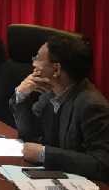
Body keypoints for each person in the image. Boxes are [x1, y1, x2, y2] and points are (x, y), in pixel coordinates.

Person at [10, 35, 109, 183]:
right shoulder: (49, 94)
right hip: (53, 177)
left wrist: (45, 154)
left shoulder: (91, 105)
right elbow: (29, 133)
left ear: (56, 69)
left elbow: (102, 163)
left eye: (37, 59)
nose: (34, 64)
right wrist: (21, 94)